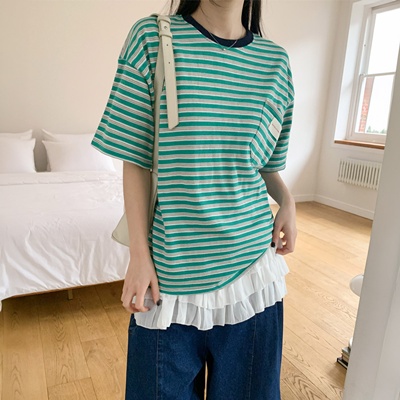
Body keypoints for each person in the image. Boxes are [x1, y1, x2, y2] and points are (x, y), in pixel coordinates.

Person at [92, 0, 296, 398]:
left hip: (253, 274)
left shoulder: (275, 63)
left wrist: (287, 200)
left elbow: (263, 164)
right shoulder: (151, 39)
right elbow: (136, 160)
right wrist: (139, 255)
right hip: (169, 281)